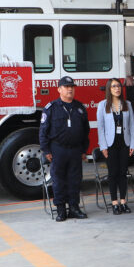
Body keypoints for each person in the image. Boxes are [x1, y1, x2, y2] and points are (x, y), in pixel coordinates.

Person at [40, 76, 90, 221]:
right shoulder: (51, 108)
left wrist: (84, 150)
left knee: (75, 180)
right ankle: (61, 209)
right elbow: (43, 131)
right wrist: (46, 150)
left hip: (75, 149)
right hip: (58, 149)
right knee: (59, 180)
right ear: (59, 89)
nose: (70, 89)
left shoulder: (80, 108)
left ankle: (74, 208)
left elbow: (85, 131)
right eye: (66, 87)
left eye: (72, 87)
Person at [97, 78, 134, 214]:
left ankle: (123, 202)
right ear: (109, 89)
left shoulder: (127, 104)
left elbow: (132, 126)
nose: (117, 88)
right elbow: (101, 128)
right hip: (110, 145)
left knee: (123, 173)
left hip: (124, 143)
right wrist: (103, 146)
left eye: (118, 86)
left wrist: (133, 144)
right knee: (113, 173)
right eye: (114, 86)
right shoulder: (102, 105)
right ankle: (114, 203)